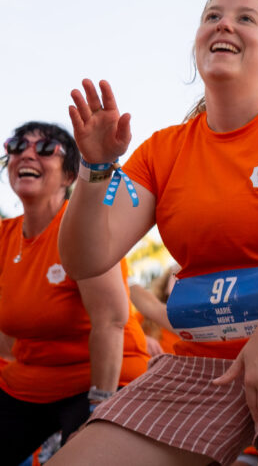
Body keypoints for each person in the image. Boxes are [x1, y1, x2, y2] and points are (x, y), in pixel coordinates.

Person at [50, 0, 258, 466]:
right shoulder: (162, 152)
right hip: (201, 360)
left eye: (245, 18)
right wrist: (94, 170)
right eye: (212, 16)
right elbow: (85, 259)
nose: (224, 25)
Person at [0, 122, 149, 465]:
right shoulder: (5, 237)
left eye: (46, 148)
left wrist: (101, 408)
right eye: (18, 145)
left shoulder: (81, 228)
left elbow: (110, 321)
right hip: (31, 382)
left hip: (104, 378)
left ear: (69, 177)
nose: (28, 152)